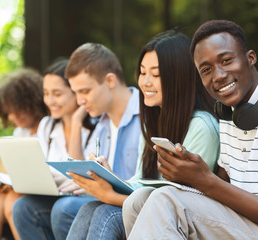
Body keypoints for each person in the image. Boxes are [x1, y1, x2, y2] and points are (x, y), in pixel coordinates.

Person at [123, 20, 258, 240]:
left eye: (226, 60)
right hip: (251, 224)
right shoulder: (230, 113)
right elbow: (224, 184)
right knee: (138, 201)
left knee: (165, 202)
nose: (219, 75)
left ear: (250, 58)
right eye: (206, 69)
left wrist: (205, 181)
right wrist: (189, 173)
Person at [65, 31, 220, 240]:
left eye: (155, 75)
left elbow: (180, 204)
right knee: (88, 209)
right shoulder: (152, 123)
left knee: (105, 212)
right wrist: (111, 179)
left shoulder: (201, 127)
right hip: (148, 210)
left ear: (179, 77)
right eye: (142, 72)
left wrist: (110, 195)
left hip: (182, 224)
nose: (145, 82)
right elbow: (141, 181)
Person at [14, 43, 142, 240]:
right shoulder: (101, 123)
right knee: (24, 207)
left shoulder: (146, 116)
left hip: (126, 202)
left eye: (84, 91)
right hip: (103, 198)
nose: (80, 101)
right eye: (77, 92)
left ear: (109, 81)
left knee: (66, 210)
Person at [12, 58, 99, 240]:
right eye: (46, 93)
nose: (50, 101)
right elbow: (41, 169)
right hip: (57, 195)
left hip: (86, 197)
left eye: (57, 94)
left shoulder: (97, 125)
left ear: (76, 93)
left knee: (63, 209)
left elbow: (82, 174)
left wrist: (75, 124)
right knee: (22, 207)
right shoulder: (48, 124)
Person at [0, 68, 49, 240]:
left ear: (31, 102)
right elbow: (9, 173)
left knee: (11, 202)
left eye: (19, 109)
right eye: (9, 112)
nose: (14, 116)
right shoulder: (19, 133)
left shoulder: (48, 127)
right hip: (21, 189)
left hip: (42, 192)